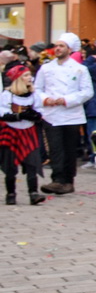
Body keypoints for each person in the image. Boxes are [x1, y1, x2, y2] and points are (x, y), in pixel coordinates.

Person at [36, 33, 92, 194]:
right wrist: (45, 99)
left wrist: (66, 100)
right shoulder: (46, 68)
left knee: (68, 149)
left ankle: (68, 180)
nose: (58, 48)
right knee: (55, 148)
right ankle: (57, 179)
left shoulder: (80, 69)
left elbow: (87, 92)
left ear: (69, 49)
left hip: (72, 115)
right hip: (51, 115)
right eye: (57, 45)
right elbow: (37, 89)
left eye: (62, 46)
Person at [1, 65, 46, 205]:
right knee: (10, 166)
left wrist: (35, 115)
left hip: (28, 132)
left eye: (29, 75)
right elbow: (2, 114)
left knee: (32, 162)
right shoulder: (7, 95)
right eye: (26, 75)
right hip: (11, 132)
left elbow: (40, 110)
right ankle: (11, 193)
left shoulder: (34, 95)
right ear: (18, 79)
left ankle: (33, 193)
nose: (30, 78)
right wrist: (19, 115)